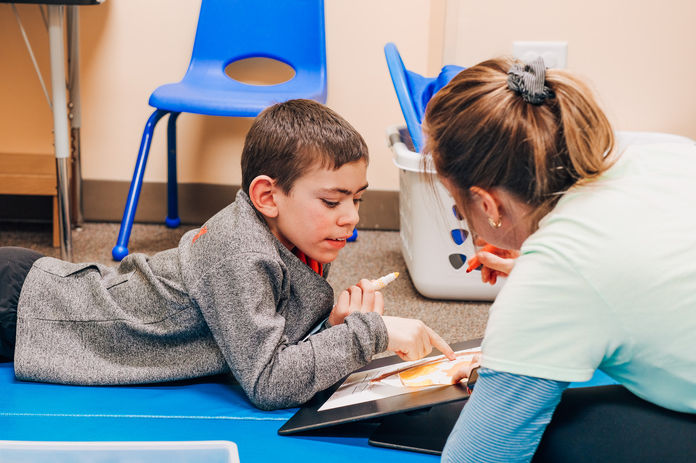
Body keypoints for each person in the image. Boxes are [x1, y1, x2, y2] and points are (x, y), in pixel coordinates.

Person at [0, 99, 454, 411]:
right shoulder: (238, 252)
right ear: (267, 196)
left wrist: (331, 326)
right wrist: (368, 334)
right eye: (333, 202)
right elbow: (269, 381)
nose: (351, 217)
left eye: (359, 199)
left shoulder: (296, 235)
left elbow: (265, 332)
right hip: (28, 308)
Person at [422, 57, 696, 461]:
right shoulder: (661, 153)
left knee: (555, 434)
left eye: (457, 204)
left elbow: (477, 457)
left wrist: (526, 331)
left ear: (486, 204)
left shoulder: (559, 273)